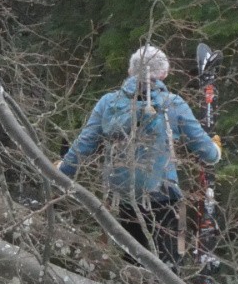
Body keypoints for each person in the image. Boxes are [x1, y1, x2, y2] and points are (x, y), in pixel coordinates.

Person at [58, 45, 221, 265]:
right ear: (164, 74)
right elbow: (209, 155)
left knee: (135, 262)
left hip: (124, 198)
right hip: (166, 198)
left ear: (130, 71)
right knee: (174, 260)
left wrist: (61, 171)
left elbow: (83, 146)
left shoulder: (108, 103)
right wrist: (216, 148)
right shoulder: (173, 104)